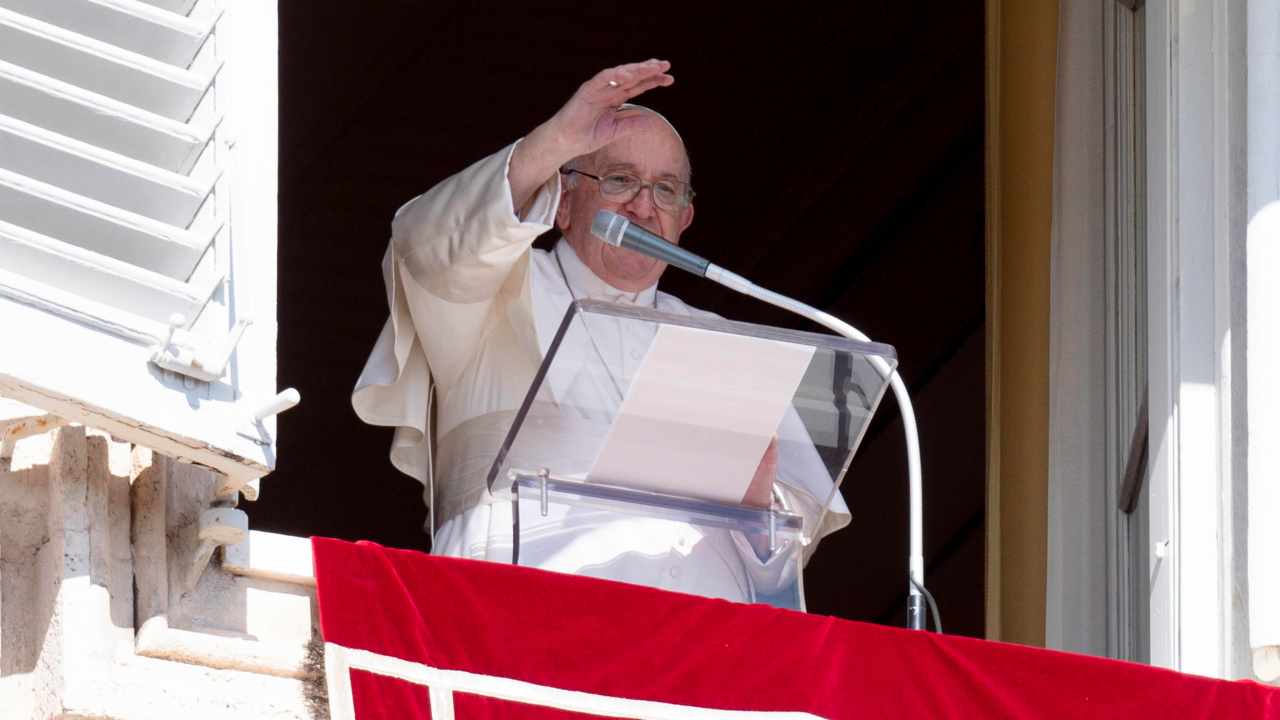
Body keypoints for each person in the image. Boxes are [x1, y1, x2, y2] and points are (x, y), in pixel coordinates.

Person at [352, 60, 849, 603]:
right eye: (619, 180)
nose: (643, 205)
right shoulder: (495, 290)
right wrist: (558, 138)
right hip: (521, 599)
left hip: (695, 627)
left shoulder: (724, 344)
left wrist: (756, 506)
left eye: (666, 190)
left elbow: (788, 541)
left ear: (685, 219)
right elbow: (426, 243)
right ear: (563, 200)